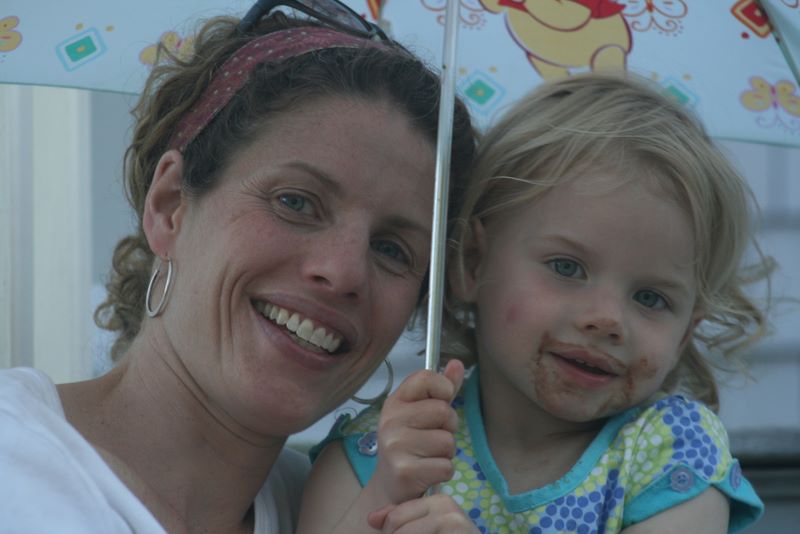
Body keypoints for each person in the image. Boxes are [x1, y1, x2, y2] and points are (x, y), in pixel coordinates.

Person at [0, 1, 478, 532]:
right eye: (296, 202)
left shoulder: (345, 512)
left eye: (392, 249)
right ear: (170, 205)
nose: (343, 272)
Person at [302, 73, 773, 533]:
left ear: (686, 332)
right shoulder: (385, 451)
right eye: (567, 267)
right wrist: (384, 494)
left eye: (650, 298)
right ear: (472, 263)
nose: (607, 319)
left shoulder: (672, 455)